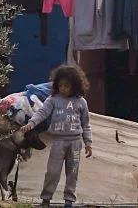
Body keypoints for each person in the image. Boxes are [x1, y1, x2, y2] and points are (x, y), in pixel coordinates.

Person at [21, 64, 93, 208]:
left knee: (72, 173)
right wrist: (31, 124)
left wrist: (88, 143)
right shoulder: (52, 100)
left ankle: (69, 201)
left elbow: (86, 124)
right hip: (58, 142)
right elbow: (42, 113)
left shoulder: (81, 102)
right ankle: (46, 200)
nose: (63, 89)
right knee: (52, 172)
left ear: (75, 85)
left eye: (66, 86)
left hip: (75, 143)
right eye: (60, 85)